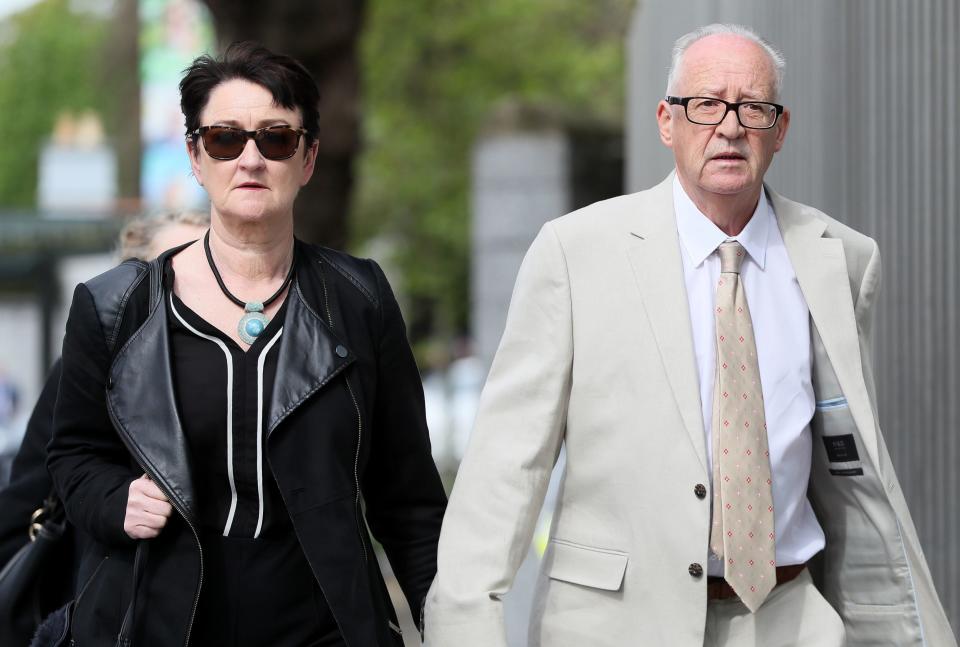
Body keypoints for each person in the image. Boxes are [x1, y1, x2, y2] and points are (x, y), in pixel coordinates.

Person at [424, 23, 956, 647]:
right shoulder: (575, 252)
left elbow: (845, 467)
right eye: (706, 105)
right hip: (615, 625)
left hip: (791, 616)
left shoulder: (840, 258)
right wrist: (464, 627)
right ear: (666, 121)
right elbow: (504, 468)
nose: (729, 127)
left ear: (780, 130)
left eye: (753, 108)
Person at [47, 42, 446, 647]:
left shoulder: (358, 299)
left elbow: (409, 497)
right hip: (160, 619)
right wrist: (116, 500)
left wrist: (448, 624)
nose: (250, 159)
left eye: (277, 139)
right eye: (225, 140)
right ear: (195, 157)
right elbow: (72, 457)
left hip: (324, 625)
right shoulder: (114, 306)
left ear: (308, 158)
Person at [0, 210, 208, 645]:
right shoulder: (86, 372)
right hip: (100, 609)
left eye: (208, 265)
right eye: (175, 267)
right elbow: (24, 504)